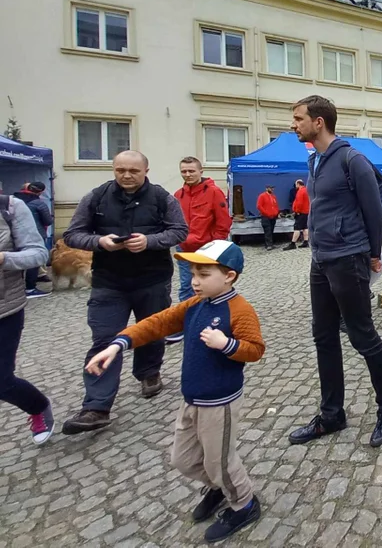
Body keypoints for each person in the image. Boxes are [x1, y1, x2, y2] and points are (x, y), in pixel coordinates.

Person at [85, 240, 264, 543]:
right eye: (193, 273)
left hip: (220, 403)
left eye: (204, 274)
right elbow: (159, 322)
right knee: (183, 459)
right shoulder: (195, 305)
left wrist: (227, 345)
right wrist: (119, 344)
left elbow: (255, 349)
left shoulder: (239, 309)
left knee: (220, 462)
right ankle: (221, 488)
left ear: (229, 275)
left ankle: (244, 504)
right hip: (192, 398)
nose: (194, 281)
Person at [288, 95, 382, 448]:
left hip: (349, 259)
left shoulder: (352, 159)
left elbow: (373, 209)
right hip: (320, 260)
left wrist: (371, 254)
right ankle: (332, 414)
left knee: (362, 336)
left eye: (299, 119)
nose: (294, 125)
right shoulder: (315, 161)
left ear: (318, 122)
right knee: (323, 335)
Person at [61, 150, 188, 435]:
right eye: (121, 170)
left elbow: (179, 231)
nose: (127, 176)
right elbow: (72, 235)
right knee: (105, 339)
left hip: (152, 278)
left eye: (133, 171)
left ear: (146, 170)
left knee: (152, 330)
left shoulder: (162, 198)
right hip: (109, 281)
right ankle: (96, 406)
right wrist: (100, 241)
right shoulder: (96, 197)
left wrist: (151, 240)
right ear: (114, 170)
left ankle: (149, 372)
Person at [0, 193, 54, 444]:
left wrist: (4, 258)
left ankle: (37, 406)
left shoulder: (10, 207)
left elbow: (38, 254)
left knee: (2, 381)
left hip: (5, 309)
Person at [169, 157, 232, 345]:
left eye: (191, 171)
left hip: (206, 249)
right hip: (184, 248)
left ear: (200, 171)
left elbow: (223, 222)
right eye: (184, 171)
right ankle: (189, 323)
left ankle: (214, 322)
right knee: (187, 286)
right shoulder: (178, 195)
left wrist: (214, 246)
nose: (187, 174)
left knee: (213, 287)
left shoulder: (213, 192)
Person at [13, 182, 53, 298]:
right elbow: (47, 221)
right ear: (41, 191)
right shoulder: (38, 203)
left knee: (16, 260)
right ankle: (30, 289)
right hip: (34, 235)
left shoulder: (13, 200)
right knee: (33, 261)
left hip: (15, 235)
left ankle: (18, 288)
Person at [284, 180, 310, 251]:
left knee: (297, 228)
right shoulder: (306, 190)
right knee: (305, 227)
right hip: (306, 212)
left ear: (298, 184)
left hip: (301, 212)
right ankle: (305, 242)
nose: (295, 186)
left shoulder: (300, 191)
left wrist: (296, 211)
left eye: (296, 185)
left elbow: (299, 202)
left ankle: (293, 243)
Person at [256, 186, 279, 250]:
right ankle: (269, 244)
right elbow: (259, 206)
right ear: (266, 188)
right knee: (267, 230)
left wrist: (276, 212)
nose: (272, 189)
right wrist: (266, 213)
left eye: (272, 188)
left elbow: (276, 205)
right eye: (270, 188)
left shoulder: (273, 196)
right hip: (265, 217)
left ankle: (269, 244)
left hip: (273, 216)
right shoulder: (262, 196)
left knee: (271, 230)